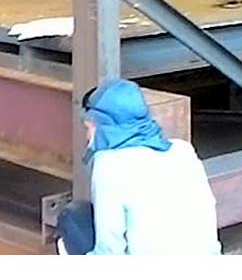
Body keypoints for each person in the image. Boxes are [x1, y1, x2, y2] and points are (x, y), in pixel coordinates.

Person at [56, 79, 221, 255]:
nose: (88, 136)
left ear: (101, 126)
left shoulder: (108, 164)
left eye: (88, 128)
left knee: (74, 217)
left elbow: (110, 248)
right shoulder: (183, 150)